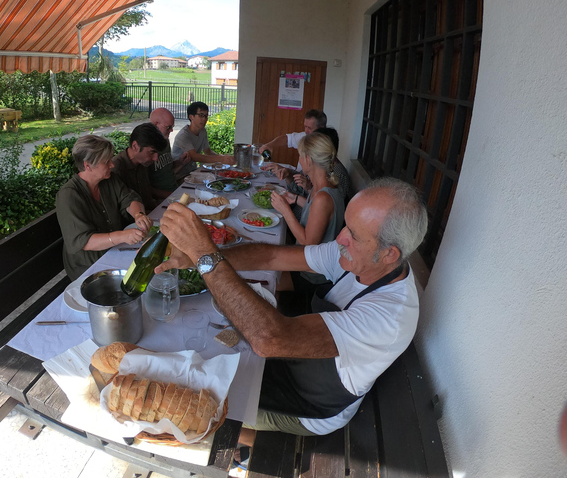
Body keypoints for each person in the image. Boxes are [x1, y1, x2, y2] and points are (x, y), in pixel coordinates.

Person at [156, 177, 428, 441]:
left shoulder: (389, 317)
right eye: (346, 226)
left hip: (306, 406)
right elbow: (271, 255)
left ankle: (238, 447)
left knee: (190, 407)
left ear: (389, 253)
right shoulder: (359, 257)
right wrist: (196, 258)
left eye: (354, 235)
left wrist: (204, 254)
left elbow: (268, 340)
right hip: (290, 363)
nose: (341, 239)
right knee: (191, 360)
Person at [56, 134, 153, 280]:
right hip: (88, 265)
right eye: (106, 161)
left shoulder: (109, 179)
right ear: (88, 165)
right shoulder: (69, 195)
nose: (112, 164)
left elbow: (129, 198)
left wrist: (138, 214)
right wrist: (122, 236)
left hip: (114, 251)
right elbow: (84, 241)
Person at [272, 132, 345, 246]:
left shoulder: (323, 198)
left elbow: (307, 242)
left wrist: (285, 210)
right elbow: (315, 209)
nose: (300, 160)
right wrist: (295, 198)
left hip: (311, 261)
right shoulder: (324, 187)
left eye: (300, 155)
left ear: (308, 159)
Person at [171, 101, 235, 180]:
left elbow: (208, 152)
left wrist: (224, 158)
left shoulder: (202, 131)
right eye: (201, 115)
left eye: (206, 116)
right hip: (179, 175)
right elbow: (194, 157)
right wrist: (223, 159)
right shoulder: (183, 135)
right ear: (191, 117)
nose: (204, 119)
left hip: (192, 172)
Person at [112, 122, 167, 210]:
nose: (156, 158)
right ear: (135, 146)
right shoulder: (116, 168)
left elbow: (149, 190)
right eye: (152, 152)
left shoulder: (143, 162)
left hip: (153, 210)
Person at [148, 107, 191, 198]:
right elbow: (146, 187)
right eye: (168, 127)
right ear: (156, 124)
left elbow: (167, 167)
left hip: (174, 189)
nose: (171, 130)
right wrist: (171, 195)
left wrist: (180, 162)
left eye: (172, 127)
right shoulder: (147, 147)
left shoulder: (165, 140)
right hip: (161, 198)